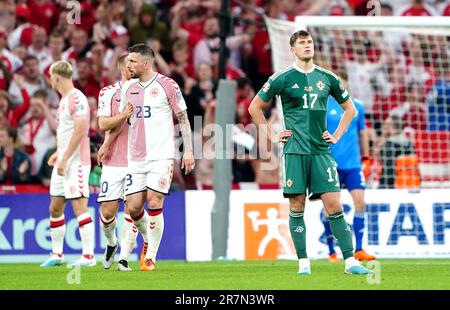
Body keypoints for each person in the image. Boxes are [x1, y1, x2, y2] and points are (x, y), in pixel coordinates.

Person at [248, 30, 372, 275]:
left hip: (321, 151)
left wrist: (335, 135)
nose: (307, 46)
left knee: (334, 205)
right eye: (302, 43)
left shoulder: (328, 78)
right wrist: (272, 135)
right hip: (294, 151)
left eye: (310, 42)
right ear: (292, 50)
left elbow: (351, 110)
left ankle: (350, 262)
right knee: (297, 205)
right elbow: (255, 107)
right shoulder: (282, 78)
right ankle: (303, 263)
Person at [104, 44, 194, 272]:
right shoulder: (129, 89)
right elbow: (122, 120)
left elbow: (183, 118)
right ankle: (148, 238)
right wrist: (106, 143)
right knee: (133, 209)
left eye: (132, 62)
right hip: (135, 159)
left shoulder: (167, 85)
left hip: (161, 156)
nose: (128, 65)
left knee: (154, 201)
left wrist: (189, 151)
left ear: (145, 63)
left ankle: (150, 257)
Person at [40, 60, 95, 268]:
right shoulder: (63, 100)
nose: (50, 82)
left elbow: (81, 130)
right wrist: (58, 153)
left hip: (76, 163)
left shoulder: (77, 98)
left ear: (56, 77)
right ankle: (57, 254)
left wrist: (64, 158)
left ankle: (88, 256)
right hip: (63, 161)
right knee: (55, 207)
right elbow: (68, 132)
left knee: (80, 207)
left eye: (51, 78)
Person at [321, 72, 376, 263]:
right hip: (331, 164)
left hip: (353, 164)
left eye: (342, 84)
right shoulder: (323, 107)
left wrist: (367, 157)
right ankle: (331, 252)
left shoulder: (356, 106)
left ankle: (359, 248)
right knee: (330, 209)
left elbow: (363, 133)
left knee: (360, 203)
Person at [96, 53, 139, 271]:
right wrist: (122, 115)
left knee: (132, 209)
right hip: (114, 161)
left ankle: (124, 258)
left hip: (138, 161)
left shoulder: (145, 91)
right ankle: (112, 244)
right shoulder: (108, 92)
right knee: (107, 213)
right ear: (123, 68)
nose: (134, 67)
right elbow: (103, 124)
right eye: (131, 64)